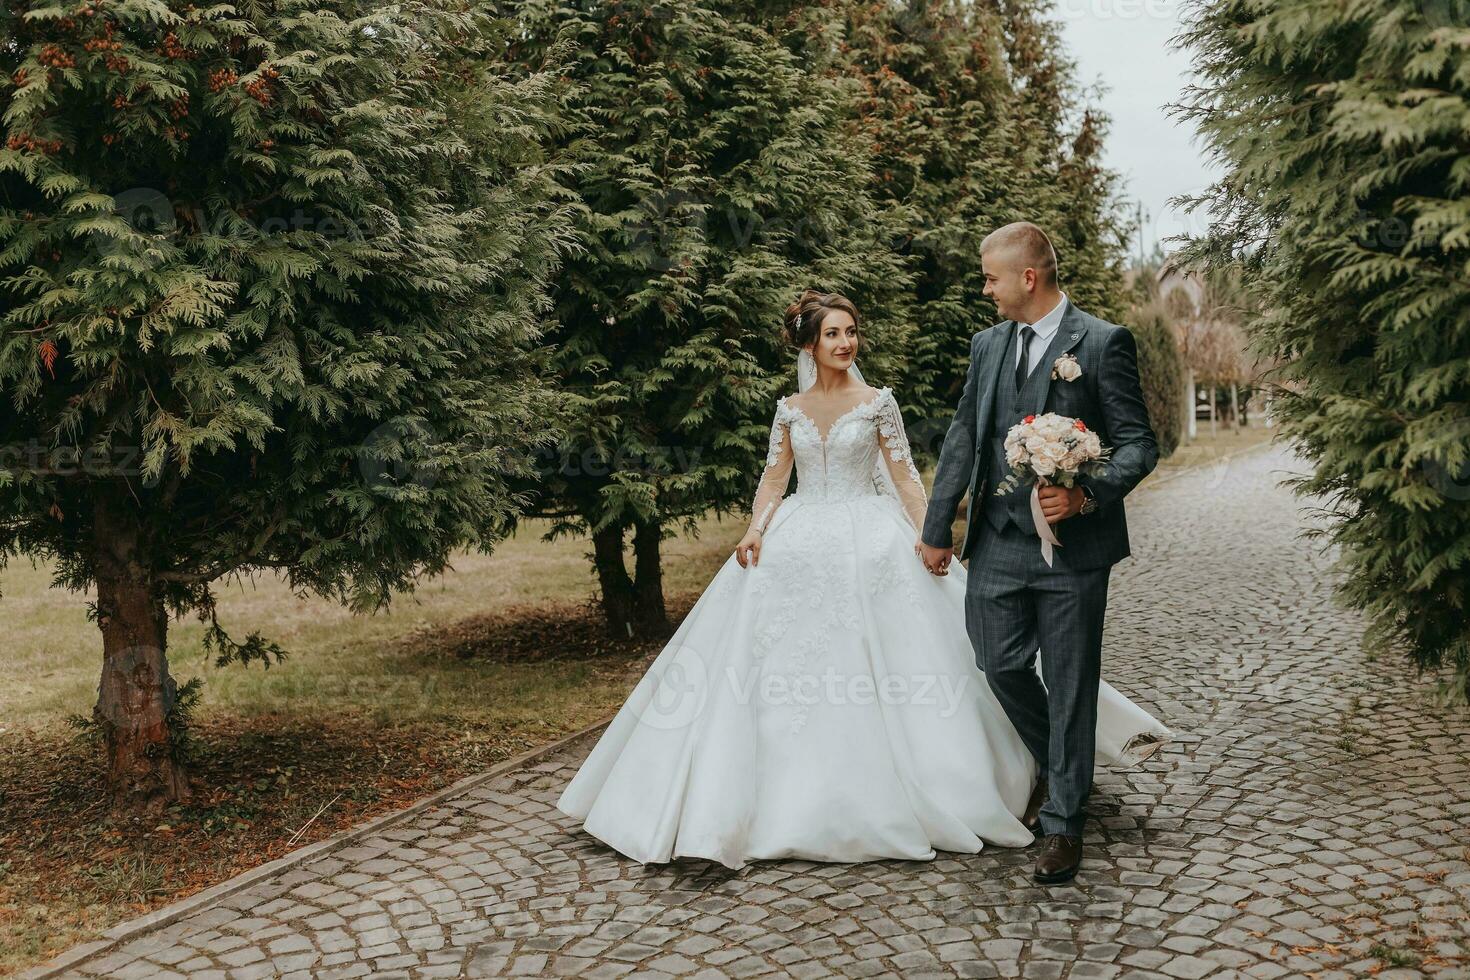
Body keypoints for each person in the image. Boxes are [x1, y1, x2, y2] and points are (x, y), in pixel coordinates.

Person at [556, 285, 1169, 873]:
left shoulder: (879, 402)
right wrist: (755, 528)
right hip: (800, 537)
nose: (846, 342)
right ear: (810, 344)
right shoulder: (789, 410)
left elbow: (904, 478)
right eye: (833, 334)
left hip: (872, 541)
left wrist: (928, 534)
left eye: (851, 332)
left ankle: (1039, 773)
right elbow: (775, 479)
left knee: (937, 658)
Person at [918, 222, 1162, 884]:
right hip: (997, 541)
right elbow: (966, 436)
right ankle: (1063, 773)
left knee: (1071, 681)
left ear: (1028, 277)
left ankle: (1062, 823)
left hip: (1073, 551)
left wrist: (1088, 496)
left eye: (990, 276)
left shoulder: (1103, 342)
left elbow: (1139, 443)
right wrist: (939, 526)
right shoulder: (987, 344)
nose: (985, 288)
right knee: (997, 661)